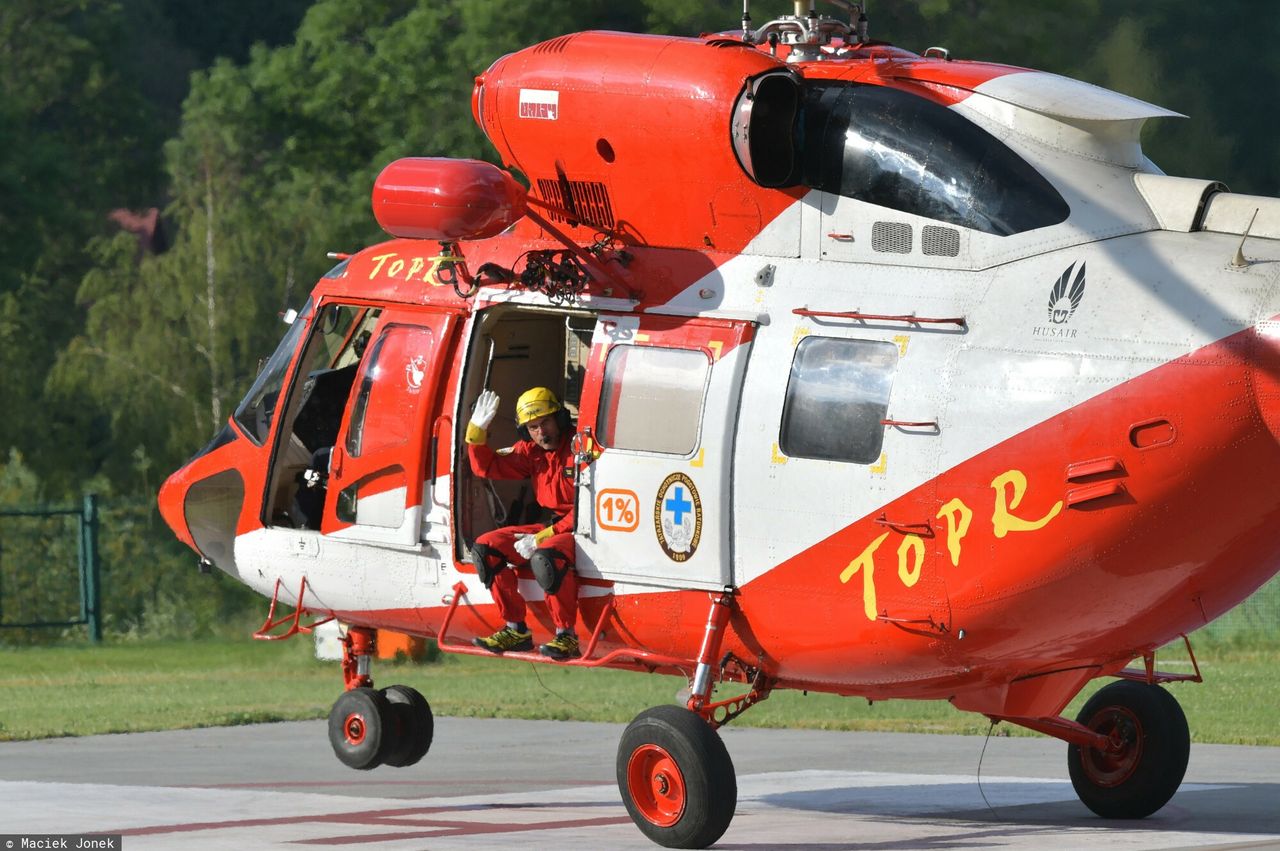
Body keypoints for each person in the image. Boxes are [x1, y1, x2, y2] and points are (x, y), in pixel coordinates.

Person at [466, 386, 581, 659]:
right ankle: (515, 629)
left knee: (545, 557)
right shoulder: (531, 452)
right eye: (533, 428)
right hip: (553, 526)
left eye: (545, 423)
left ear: (560, 419)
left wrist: (544, 537)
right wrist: (475, 434)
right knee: (485, 549)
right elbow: (487, 467)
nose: (541, 433)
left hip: (583, 528)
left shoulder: (580, 447)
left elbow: (592, 508)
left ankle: (566, 636)